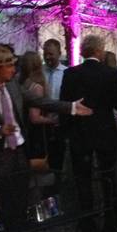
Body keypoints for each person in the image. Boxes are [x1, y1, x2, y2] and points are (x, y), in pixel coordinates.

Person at [0, 46, 89, 201]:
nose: (14, 70)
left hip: (20, 153)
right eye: (10, 66)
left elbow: (39, 101)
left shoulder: (13, 86)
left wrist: (71, 107)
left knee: (21, 198)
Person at [60, 35, 117, 232]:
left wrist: (67, 131)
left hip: (81, 133)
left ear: (83, 51)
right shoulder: (110, 74)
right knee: (109, 178)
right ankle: (111, 225)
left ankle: (88, 229)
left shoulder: (71, 74)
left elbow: (65, 106)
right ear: (99, 51)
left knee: (83, 182)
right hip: (105, 133)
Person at [17, 51, 59, 192]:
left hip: (23, 133)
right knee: (39, 173)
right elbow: (34, 117)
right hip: (37, 135)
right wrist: (51, 120)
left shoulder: (19, 84)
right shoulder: (36, 88)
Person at [41, 39, 68, 172]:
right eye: (45, 53)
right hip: (42, 121)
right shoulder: (39, 72)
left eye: (51, 54)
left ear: (59, 53)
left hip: (60, 121)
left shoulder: (67, 73)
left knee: (59, 156)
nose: (47, 57)